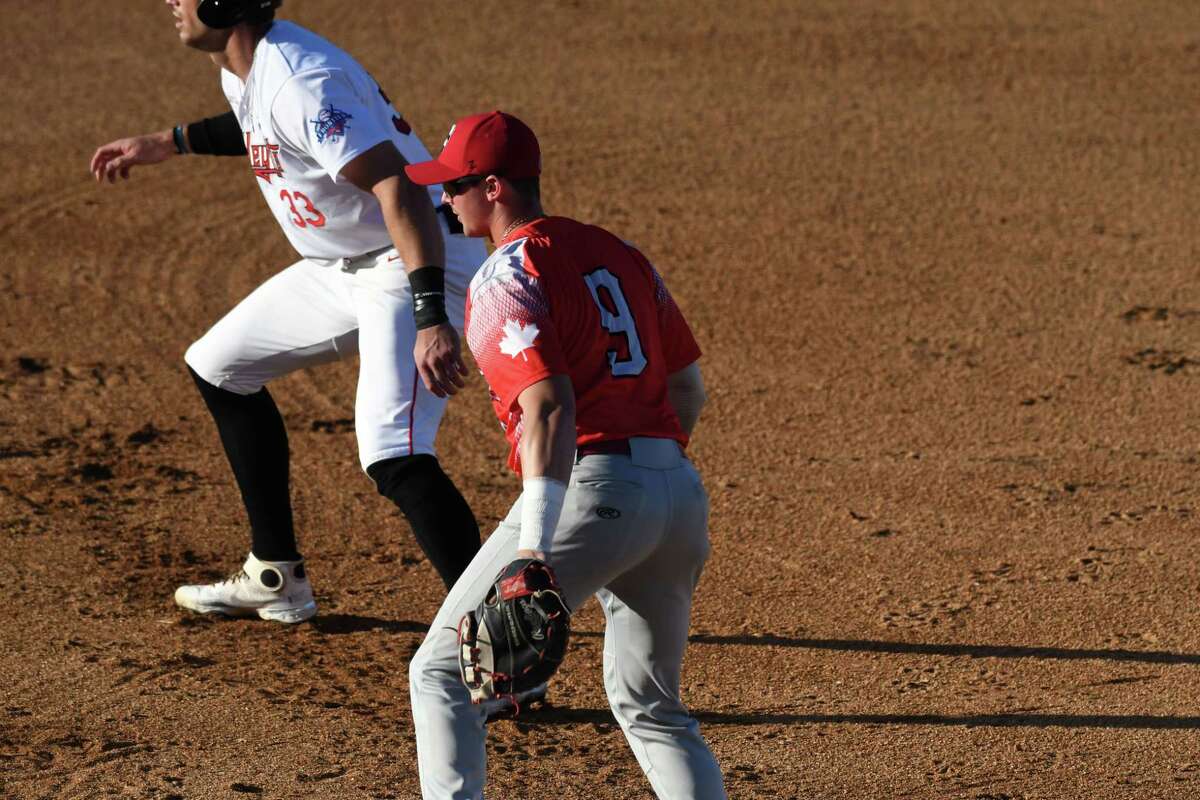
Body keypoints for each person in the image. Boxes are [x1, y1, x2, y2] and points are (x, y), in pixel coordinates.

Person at [88, 0, 487, 623]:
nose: (172, 1)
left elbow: (398, 186)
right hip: (341, 265)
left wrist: (430, 312)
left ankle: (500, 634)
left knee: (393, 450)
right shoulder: (244, 64)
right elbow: (256, 123)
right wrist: (166, 143)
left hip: (410, 256)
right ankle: (276, 576)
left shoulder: (302, 80)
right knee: (219, 365)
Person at [402, 111, 726, 799]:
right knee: (653, 708)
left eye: (454, 185)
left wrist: (535, 546)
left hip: (593, 488)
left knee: (440, 674)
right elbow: (685, 386)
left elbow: (548, 406)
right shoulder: (621, 253)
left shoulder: (504, 278)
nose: (443, 199)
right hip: (675, 494)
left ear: (493, 188)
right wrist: (651, 480)